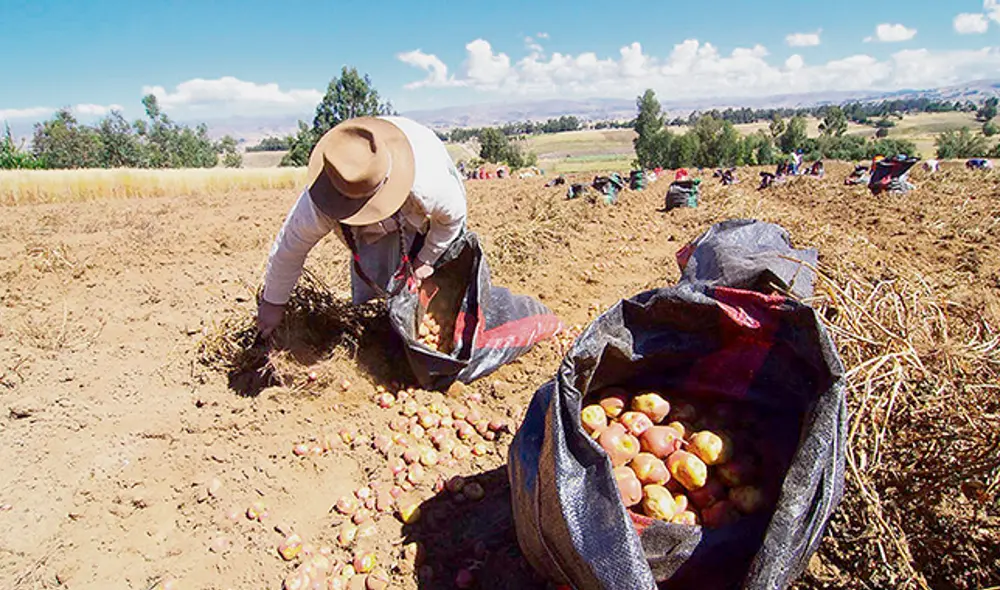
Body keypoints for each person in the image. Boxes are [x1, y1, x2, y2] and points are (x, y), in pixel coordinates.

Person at [256, 116, 467, 337]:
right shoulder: (322, 196)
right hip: (378, 207)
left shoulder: (428, 183)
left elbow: (452, 219)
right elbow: (289, 249)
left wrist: (426, 259)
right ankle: (385, 320)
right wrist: (273, 303)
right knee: (377, 263)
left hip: (421, 186)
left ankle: (442, 312)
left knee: (441, 261)